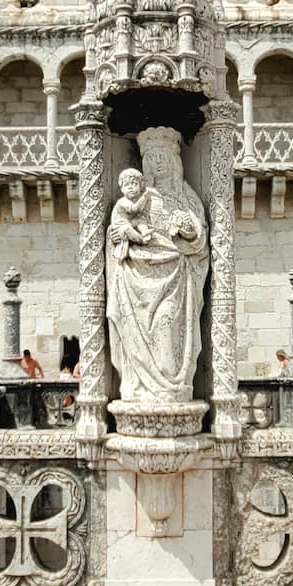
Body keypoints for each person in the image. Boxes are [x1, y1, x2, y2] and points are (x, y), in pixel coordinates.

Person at [106, 127, 209, 403]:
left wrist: (188, 229)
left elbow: (200, 237)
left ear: (175, 160)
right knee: (136, 329)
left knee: (166, 323)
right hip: (137, 276)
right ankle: (138, 386)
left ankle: (171, 386)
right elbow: (118, 228)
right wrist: (116, 236)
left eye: (164, 155)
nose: (159, 162)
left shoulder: (185, 195)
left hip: (175, 275)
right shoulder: (137, 200)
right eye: (153, 157)